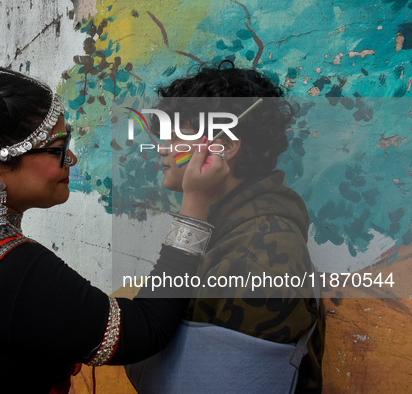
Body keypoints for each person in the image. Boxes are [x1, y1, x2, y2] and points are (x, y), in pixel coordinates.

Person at [0, 47, 231, 394]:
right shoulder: (13, 272)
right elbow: (144, 330)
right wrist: (195, 204)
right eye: (57, 148)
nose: (71, 158)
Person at [125, 63, 325, 393]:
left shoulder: (257, 252)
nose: (162, 148)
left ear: (225, 146)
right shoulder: (226, 225)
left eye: (176, 135)